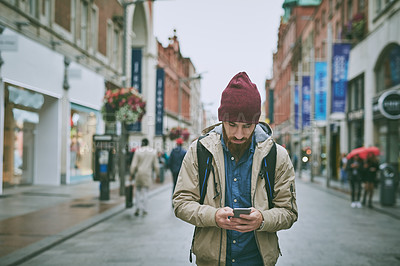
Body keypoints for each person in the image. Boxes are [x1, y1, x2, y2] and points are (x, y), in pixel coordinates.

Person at [172, 72, 298, 265]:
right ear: (222, 119)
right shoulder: (200, 150)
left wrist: (262, 219)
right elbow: (181, 202)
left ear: (256, 122)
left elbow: (289, 212)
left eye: (247, 126)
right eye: (232, 125)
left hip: (256, 260)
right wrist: (213, 216)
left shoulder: (276, 155)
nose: (239, 134)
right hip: (211, 261)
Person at [129, 138, 159, 216]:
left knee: (138, 191)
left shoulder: (138, 151)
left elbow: (134, 165)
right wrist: (157, 174)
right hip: (147, 174)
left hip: (139, 173)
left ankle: (137, 208)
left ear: (142, 143)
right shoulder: (153, 152)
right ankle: (145, 209)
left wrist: (131, 174)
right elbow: (156, 165)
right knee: (145, 191)